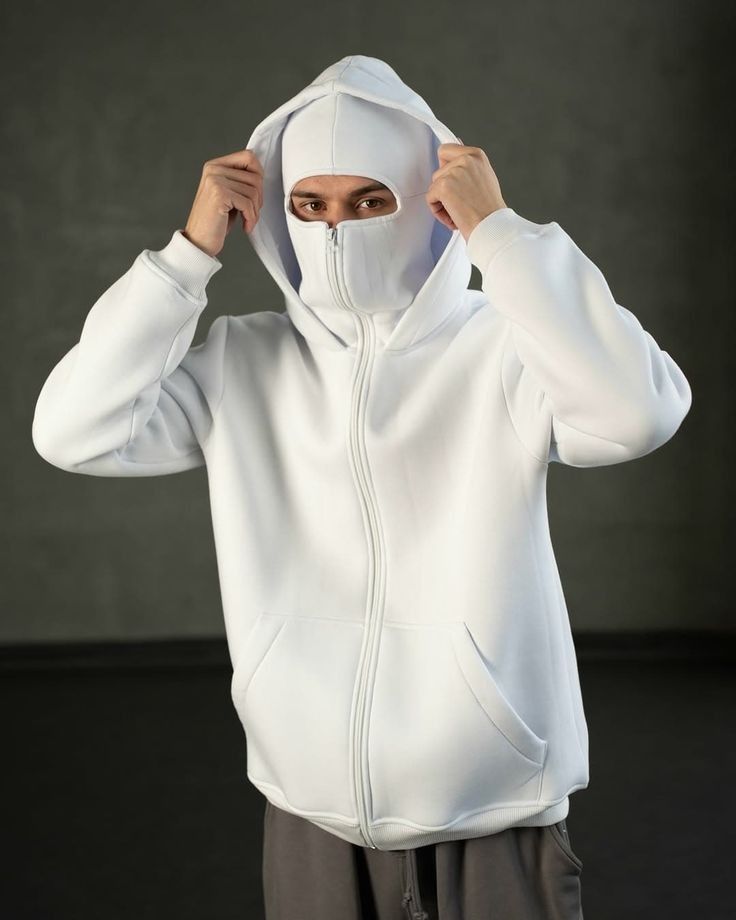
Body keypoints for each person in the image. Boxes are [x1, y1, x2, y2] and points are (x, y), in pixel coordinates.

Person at [32, 54, 692, 919]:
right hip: (309, 802)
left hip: (493, 800)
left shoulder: (505, 346)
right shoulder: (242, 360)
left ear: (429, 205)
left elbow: (638, 412)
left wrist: (501, 235)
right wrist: (185, 259)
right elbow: (72, 431)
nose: (337, 228)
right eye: (310, 205)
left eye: (370, 201)